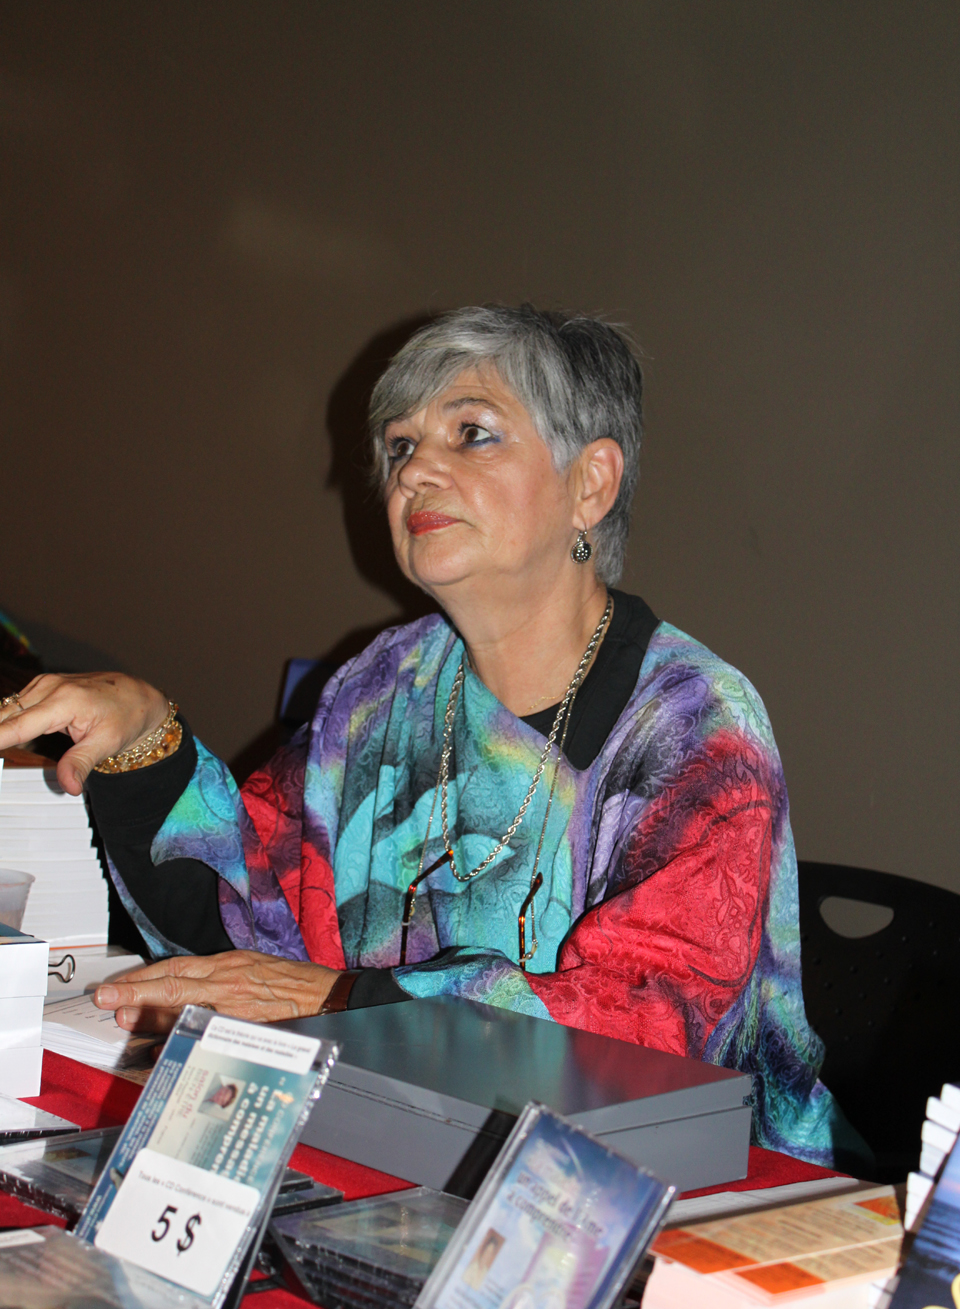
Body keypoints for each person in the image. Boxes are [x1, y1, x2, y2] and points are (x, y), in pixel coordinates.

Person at [0, 305, 860, 1167]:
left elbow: (643, 1033)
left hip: (691, 1208)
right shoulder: (386, 686)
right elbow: (256, 920)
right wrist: (143, 744)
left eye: (473, 435)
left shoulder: (697, 725)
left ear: (590, 486)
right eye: (402, 447)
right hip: (410, 1153)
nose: (415, 474)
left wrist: (349, 1001)